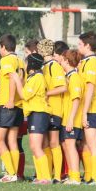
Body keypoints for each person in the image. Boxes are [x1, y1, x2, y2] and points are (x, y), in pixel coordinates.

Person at [13, 53, 51, 184]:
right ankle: (40, 177)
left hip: (39, 113)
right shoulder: (33, 77)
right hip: (34, 114)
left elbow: (24, 95)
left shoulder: (37, 78)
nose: (25, 64)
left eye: (27, 62)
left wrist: (17, 80)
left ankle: (45, 177)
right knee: (34, 146)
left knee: (36, 146)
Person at [0, 34, 24, 183]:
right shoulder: (20, 60)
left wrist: (11, 99)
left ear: (3, 47)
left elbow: (12, 77)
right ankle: (14, 174)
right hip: (19, 106)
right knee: (12, 140)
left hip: (8, 104)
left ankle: (10, 173)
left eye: (0, 48)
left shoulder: (7, 59)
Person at [38, 39, 66, 183]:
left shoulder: (54, 66)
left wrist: (46, 93)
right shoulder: (43, 66)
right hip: (45, 109)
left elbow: (62, 87)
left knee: (54, 142)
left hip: (55, 109)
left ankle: (57, 176)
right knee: (45, 144)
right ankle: (46, 174)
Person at [77, 31, 96, 185]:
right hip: (86, 108)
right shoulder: (86, 62)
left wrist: (85, 113)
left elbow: (91, 88)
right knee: (86, 144)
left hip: (92, 109)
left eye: (80, 44)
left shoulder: (92, 62)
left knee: (93, 144)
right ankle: (89, 176)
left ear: (87, 45)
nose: (78, 46)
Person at [59, 49, 83, 185]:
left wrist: (71, 119)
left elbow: (76, 99)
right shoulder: (69, 76)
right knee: (66, 144)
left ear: (67, 61)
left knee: (70, 144)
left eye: (62, 60)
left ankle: (75, 177)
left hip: (73, 118)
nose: (61, 62)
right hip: (67, 117)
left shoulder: (74, 77)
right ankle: (71, 175)